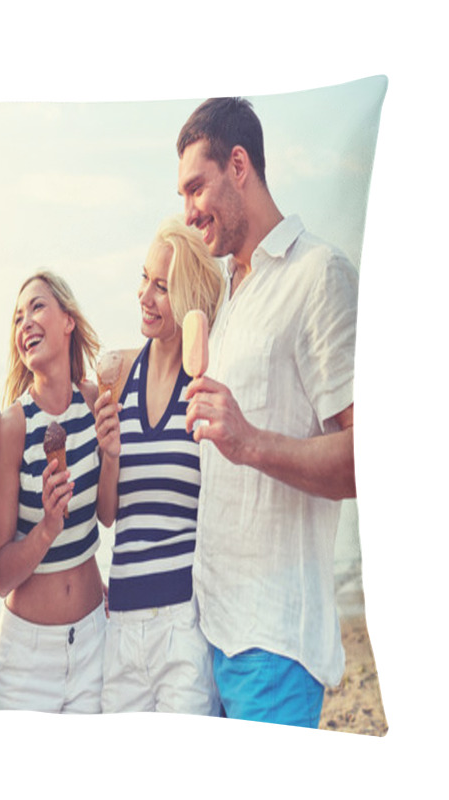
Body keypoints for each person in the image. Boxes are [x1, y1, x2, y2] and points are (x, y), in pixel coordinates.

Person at [177, 97, 358, 728]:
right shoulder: (231, 292)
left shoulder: (319, 273)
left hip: (275, 648)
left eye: (196, 188)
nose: (188, 210)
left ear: (238, 164)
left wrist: (250, 440)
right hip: (212, 631)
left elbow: (367, 459)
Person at [94, 215, 224, 715]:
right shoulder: (119, 373)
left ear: (188, 297)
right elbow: (109, 515)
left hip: (182, 623)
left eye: (162, 287)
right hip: (122, 621)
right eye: (144, 280)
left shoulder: (205, 381)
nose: (145, 297)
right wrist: (109, 456)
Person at [0, 271, 110, 712]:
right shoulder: (12, 427)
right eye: (18, 317)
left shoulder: (95, 403)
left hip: (96, 639)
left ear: (68, 320)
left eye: (37, 307)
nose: (25, 324)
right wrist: (47, 527)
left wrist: (111, 454)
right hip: (28, 660)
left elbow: (109, 514)